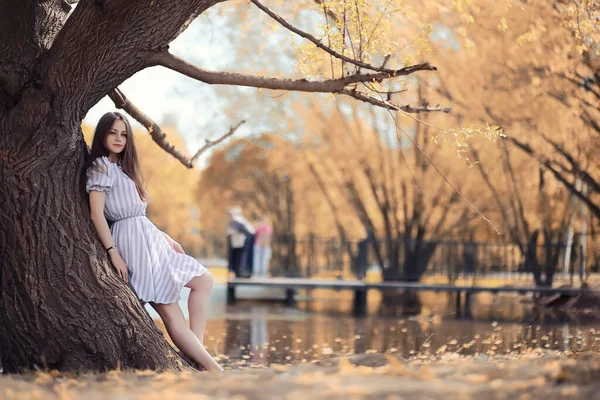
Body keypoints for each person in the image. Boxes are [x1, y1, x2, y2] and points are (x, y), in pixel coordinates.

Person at [85, 111, 222, 372]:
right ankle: (214, 370)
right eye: (113, 132)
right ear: (102, 134)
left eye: (123, 134)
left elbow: (139, 214)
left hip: (150, 238)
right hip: (131, 243)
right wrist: (112, 252)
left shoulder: (125, 169)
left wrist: (164, 236)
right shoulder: (101, 167)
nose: (118, 138)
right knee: (170, 311)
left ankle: (198, 354)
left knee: (204, 280)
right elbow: (96, 214)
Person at [226, 207, 255, 277]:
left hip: (244, 242)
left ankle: (240, 273)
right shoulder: (243, 221)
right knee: (243, 258)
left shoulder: (237, 220)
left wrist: (230, 233)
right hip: (244, 241)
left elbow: (234, 231)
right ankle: (242, 273)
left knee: (241, 257)